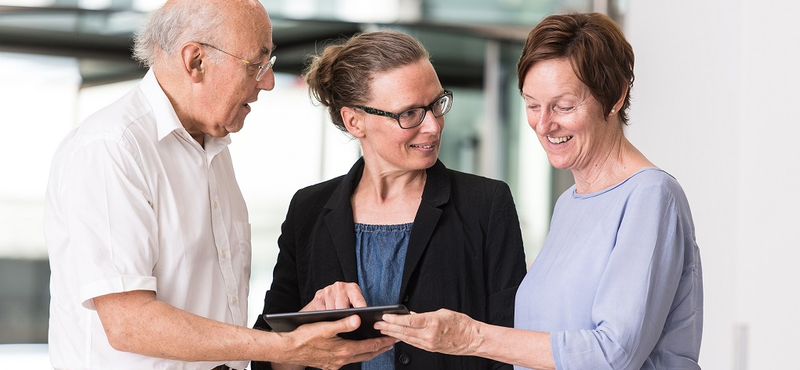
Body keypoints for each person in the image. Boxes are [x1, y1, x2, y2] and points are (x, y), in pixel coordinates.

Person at [43, 1, 395, 369]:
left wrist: (298, 332)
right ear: (195, 61)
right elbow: (129, 323)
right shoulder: (111, 148)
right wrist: (283, 348)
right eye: (257, 64)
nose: (269, 81)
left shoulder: (213, 149)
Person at [376, 12, 703, 370]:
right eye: (532, 105)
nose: (544, 125)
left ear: (615, 97)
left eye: (563, 106)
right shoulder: (569, 204)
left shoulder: (651, 196)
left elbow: (613, 355)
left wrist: (473, 337)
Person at [251, 30, 528, 370]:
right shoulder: (307, 210)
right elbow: (266, 361)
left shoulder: (485, 204)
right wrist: (307, 323)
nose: (433, 127)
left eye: (437, 104)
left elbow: (513, 347)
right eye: (409, 113)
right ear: (355, 121)